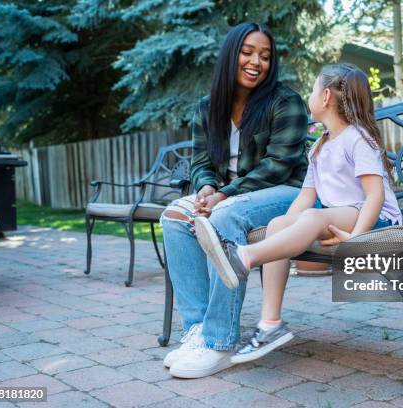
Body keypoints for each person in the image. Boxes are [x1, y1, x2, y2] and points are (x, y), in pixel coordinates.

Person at [194, 63, 402, 363]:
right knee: (281, 222)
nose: (311, 96)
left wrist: (357, 240)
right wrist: (282, 228)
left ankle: (242, 257)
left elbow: (375, 196)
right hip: (342, 216)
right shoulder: (319, 147)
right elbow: (305, 198)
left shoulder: (358, 139)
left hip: (377, 221)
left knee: (314, 218)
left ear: (327, 96)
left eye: (314, 89)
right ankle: (270, 325)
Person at [160, 22, 308, 378]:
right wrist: (207, 188)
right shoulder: (207, 107)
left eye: (265, 56)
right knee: (175, 216)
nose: (257, 61)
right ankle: (197, 331)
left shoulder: (284, 102)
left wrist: (224, 194)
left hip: (287, 193)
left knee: (222, 217)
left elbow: (279, 165)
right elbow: (201, 162)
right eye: (247, 52)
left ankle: (220, 343)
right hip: (230, 197)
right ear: (231, 55)